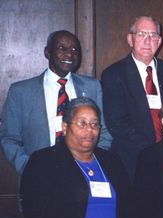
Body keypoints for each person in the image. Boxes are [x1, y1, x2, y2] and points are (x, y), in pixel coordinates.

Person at [20, 97, 132, 218]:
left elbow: (130, 204)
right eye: (82, 123)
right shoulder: (44, 161)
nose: (89, 130)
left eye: (94, 124)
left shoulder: (111, 161)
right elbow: (36, 212)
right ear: (65, 127)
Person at [0, 30, 112, 175]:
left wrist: (91, 163)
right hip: (39, 175)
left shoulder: (93, 87)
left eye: (74, 50)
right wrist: (29, 167)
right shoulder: (21, 92)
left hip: (85, 173)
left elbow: (104, 132)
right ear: (47, 52)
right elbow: (9, 137)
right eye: (62, 48)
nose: (69, 54)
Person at [101, 16, 163, 183]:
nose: (147, 40)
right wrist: (154, 150)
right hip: (131, 160)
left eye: (153, 35)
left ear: (159, 42)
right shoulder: (114, 74)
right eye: (141, 34)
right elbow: (116, 122)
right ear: (130, 39)